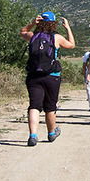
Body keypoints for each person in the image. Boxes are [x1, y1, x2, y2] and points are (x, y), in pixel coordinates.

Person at [19, 12, 75, 146]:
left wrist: (32, 22)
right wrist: (67, 28)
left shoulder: (32, 36)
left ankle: (33, 135)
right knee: (50, 106)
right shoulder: (56, 37)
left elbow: (22, 31)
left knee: (34, 105)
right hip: (52, 76)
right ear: (53, 23)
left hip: (33, 76)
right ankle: (51, 133)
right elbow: (72, 45)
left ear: (40, 22)